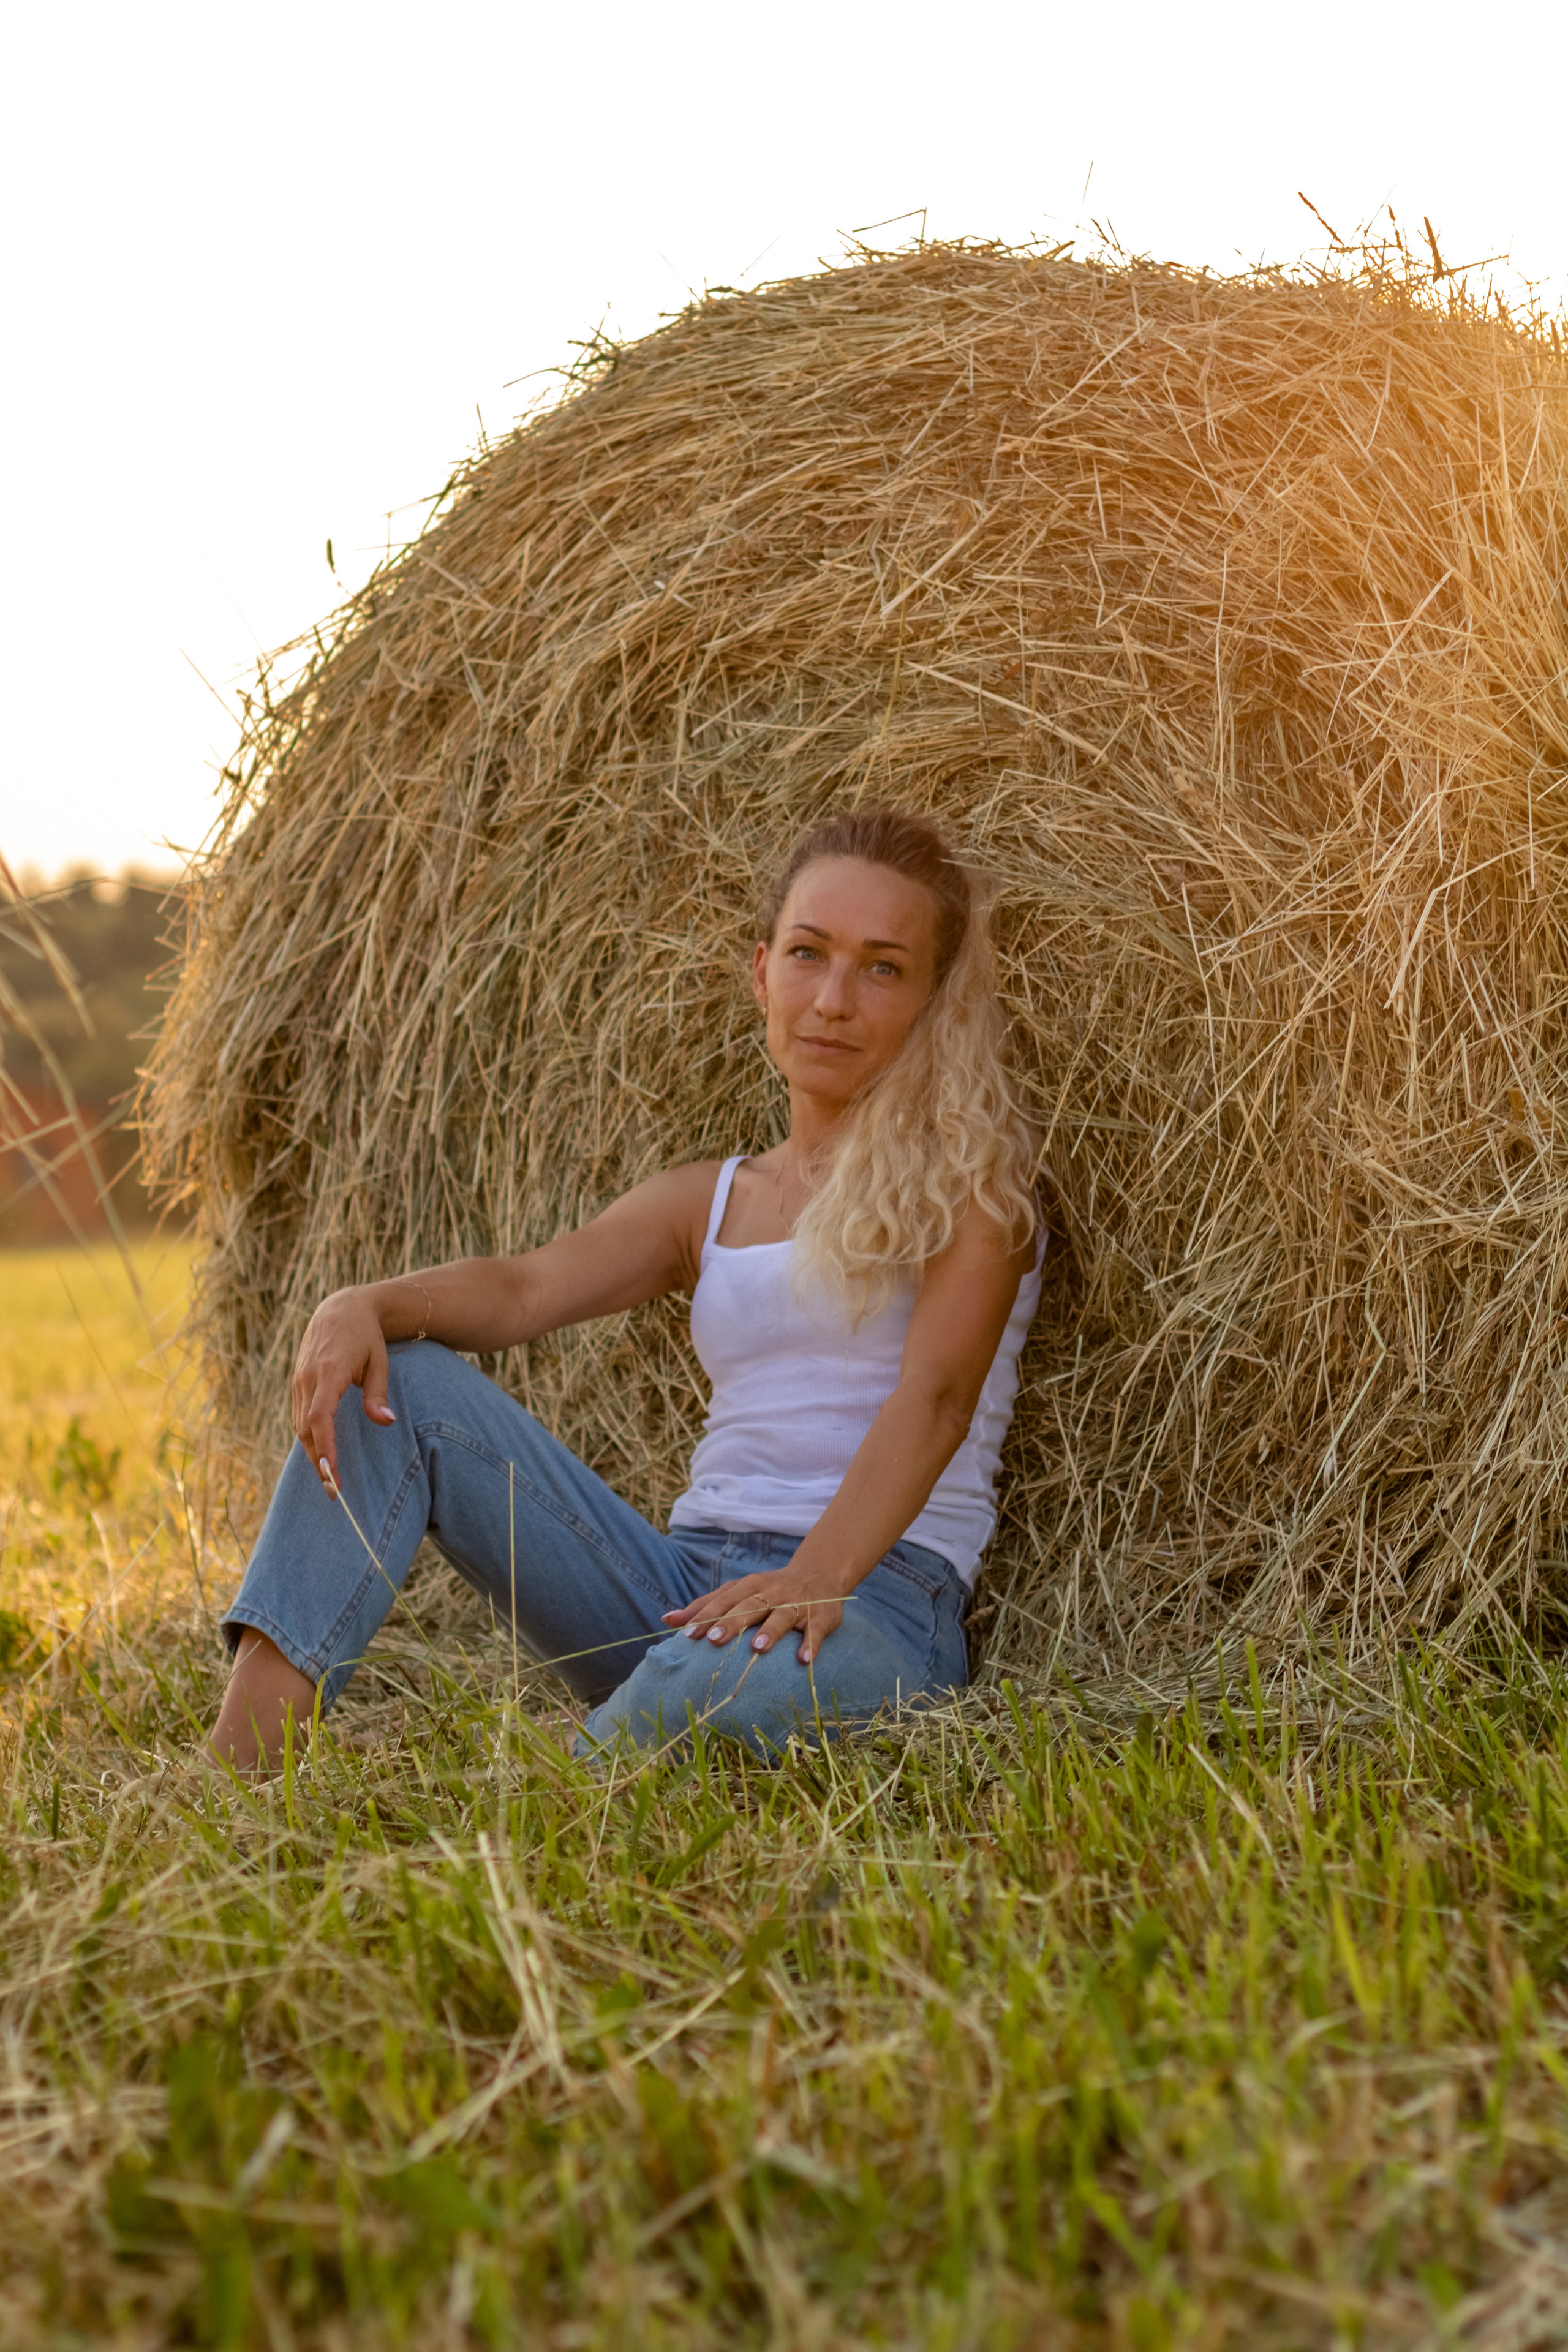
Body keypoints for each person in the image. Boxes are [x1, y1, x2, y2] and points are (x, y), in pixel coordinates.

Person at [208, 809, 1042, 1770]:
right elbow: (524, 1291)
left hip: (871, 1601)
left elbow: (935, 1403)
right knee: (402, 1387)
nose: (834, 999)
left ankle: (563, 1789)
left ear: (934, 999)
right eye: (809, 955)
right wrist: (361, 1306)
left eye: (883, 968)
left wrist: (814, 1574)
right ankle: (234, 1779)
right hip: (679, 1584)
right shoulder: (711, 1200)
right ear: (761, 971)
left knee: (705, 1688)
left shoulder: (974, 1189)